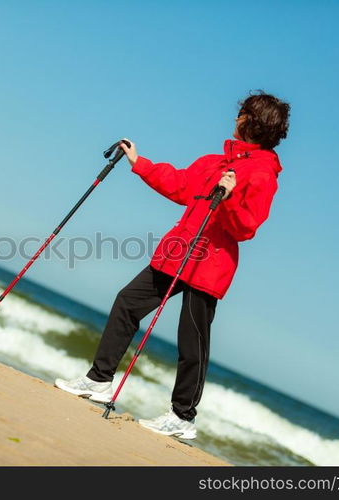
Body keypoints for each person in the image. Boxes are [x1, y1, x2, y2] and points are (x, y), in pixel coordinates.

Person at [55, 91, 290, 439]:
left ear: (251, 121)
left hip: (210, 265)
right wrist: (139, 162)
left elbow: (247, 227)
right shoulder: (216, 162)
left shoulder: (262, 173)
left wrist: (225, 200)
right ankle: (98, 380)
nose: (236, 118)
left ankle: (182, 418)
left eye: (241, 114)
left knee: (191, 343)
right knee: (127, 303)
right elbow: (180, 185)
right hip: (178, 253)